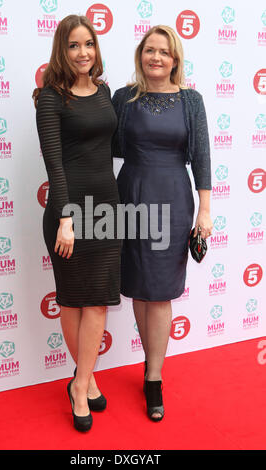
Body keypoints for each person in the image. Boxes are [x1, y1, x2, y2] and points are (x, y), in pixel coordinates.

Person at [112, 25, 213, 422]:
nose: (156, 58)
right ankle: (149, 363)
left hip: (173, 198)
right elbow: (102, 141)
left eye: (164, 52)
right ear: (140, 55)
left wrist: (204, 210)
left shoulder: (191, 100)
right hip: (132, 195)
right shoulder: (123, 98)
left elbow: (202, 156)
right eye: (149, 50)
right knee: (141, 284)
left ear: (175, 59)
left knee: (163, 289)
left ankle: (153, 375)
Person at [33, 15, 121, 432]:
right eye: (73, 45)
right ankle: (83, 384)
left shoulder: (103, 92)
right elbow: (55, 163)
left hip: (107, 207)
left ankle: (80, 382)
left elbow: (112, 148)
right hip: (69, 210)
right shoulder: (50, 97)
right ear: (61, 50)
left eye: (88, 43)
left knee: (99, 301)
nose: (83, 52)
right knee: (72, 300)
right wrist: (66, 219)